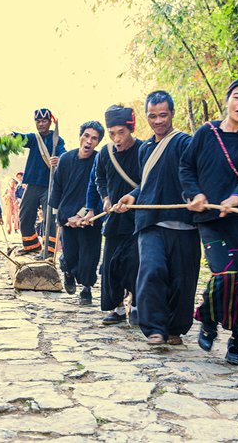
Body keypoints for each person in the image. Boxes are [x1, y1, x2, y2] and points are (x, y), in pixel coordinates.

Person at [182, 78, 238, 365]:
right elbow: (186, 167)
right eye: (237, 97)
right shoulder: (206, 133)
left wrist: (236, 198)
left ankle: (237, 342)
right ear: (227, 99)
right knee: (226, 274)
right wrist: (194, 193)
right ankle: (208, 317)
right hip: (210, 218)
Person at [117, 91, 199, 346]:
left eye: (163, 115)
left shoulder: (186, 143)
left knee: (181, 279)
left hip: (183, 221)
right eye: (152, 116)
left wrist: (197, 196)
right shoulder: (145, 149)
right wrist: (132, 195)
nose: (158, 121)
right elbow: (147, 183)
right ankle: (154, 327)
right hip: (150, 220)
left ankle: (174, 328)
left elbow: (196, 175)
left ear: (172, 114)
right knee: (151, 270)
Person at [83, 106, 143, 324]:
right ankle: (116, 308)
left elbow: (150, 181)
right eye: (112, 134)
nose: (117, 139)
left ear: (130, 128)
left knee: (134, 263)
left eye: (121, 132)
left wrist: (134, 197)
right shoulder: (106, 154)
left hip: (137, 219)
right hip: (114, 220)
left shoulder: (144, 150)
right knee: (110, 265)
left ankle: (135, 303)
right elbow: (99, 178)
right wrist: (106, 198)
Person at [50, 121, 104, 305]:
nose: (89, 141)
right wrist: (60, 217)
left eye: (94, 138)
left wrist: (86, 213)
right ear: (80, 136)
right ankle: (68, 272)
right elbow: (57, 188)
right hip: (67, 217)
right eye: (86, 136)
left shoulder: (100, 160)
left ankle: (86, 288)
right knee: (71, 254)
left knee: (89, 256)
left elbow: (100, 189)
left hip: (90, 216)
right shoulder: (65, 159)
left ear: (98, 142)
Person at [13, 109, 65, 256]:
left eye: (44, 121)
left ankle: (48, 251)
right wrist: (13, 136)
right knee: (25, 214)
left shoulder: (57, 140)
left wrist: (59, 159)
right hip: (33, 184)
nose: (41, 124)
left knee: (49, 218)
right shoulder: (33, 138)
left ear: (50, 122)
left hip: (49, 185)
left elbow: (63, 153)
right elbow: (22, 139)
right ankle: (32, 246)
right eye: (38, 121)